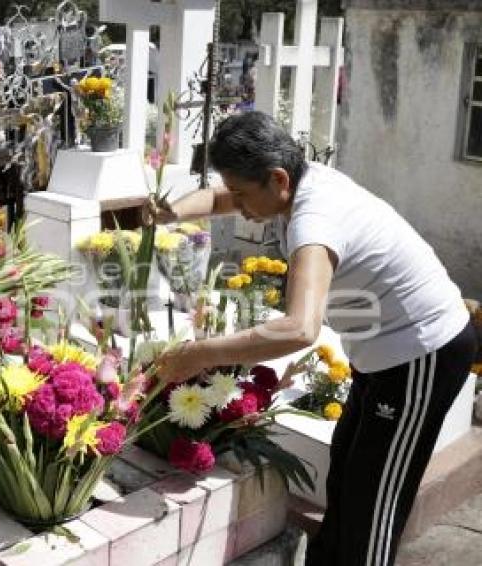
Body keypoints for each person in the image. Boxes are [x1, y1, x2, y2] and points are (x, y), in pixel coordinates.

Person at [149, 111, 476, 566]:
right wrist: (170, 212)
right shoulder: (299, 181)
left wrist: (198, 354)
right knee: (346, 477)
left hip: (423, 352)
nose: (237, 206)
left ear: (277, 179)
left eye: (243, 194)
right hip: (382, 355)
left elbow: (300, 328)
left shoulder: (313, 220)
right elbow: (221, 198)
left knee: (373, 505)